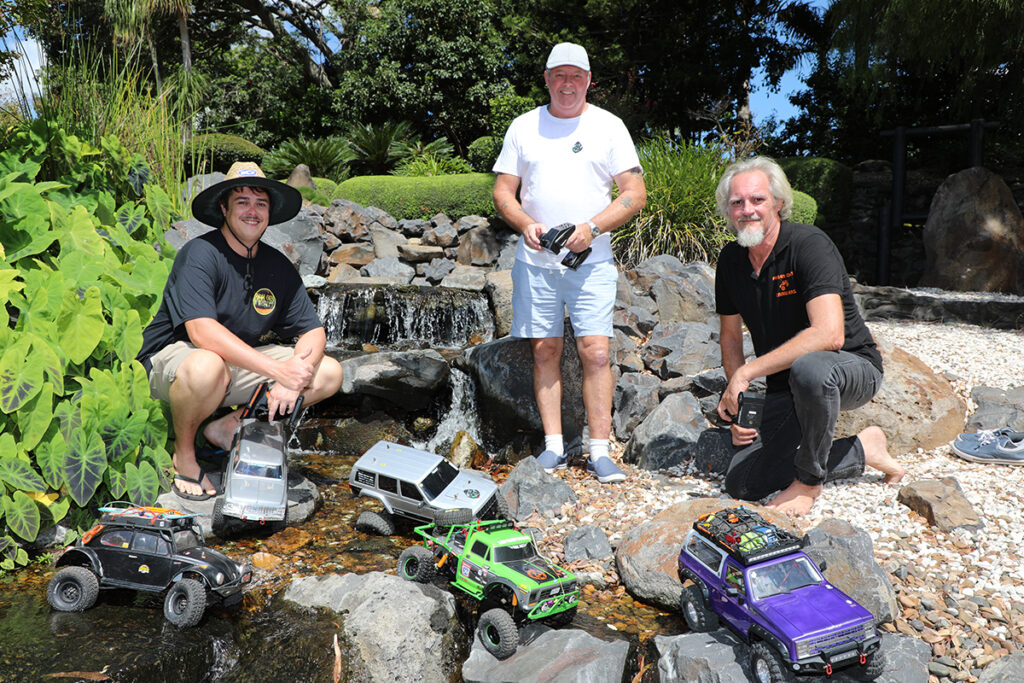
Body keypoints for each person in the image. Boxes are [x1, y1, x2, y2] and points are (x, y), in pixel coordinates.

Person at [138, 162, 343, 500]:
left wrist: (293, 380)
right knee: (207, 366)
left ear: (269, 212)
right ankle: (184, 454)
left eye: (260, 203)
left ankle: (229, 426)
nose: (252, 211)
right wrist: (279, 372)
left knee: (329, 372)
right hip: (179, 360)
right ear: (224, 208)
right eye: (242, 202)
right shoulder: (200, 253)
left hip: (234, 365)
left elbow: (313, 331)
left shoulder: (277, 265)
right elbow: (201, 332)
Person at [492, 42, 646, 483]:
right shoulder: (523, 126)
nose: (567, 83)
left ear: (589, 80)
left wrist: (592, 229)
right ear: (546, 79)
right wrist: (526, 224)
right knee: (545, 350)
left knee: (595, 351)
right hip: (536, 261)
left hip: (591, 261)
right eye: (558, 75)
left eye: (576, 75)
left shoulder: (609, 126)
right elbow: (503, 192)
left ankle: (599, 450)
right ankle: (554, 447)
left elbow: (634, 194)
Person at [714, 156, 903, 515]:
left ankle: (809, 482)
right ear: (728, 210)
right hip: (785, 385)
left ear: (778, 203)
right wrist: (741, 406)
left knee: (811, 368)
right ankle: (863, 449)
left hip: (850, 368)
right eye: (737, 202)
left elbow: (829, 334)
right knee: (744, 482)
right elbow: (730, 338)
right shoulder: (731, 260)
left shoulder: (808, 244)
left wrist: (747, 372)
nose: (747, 210)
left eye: (757, 199)